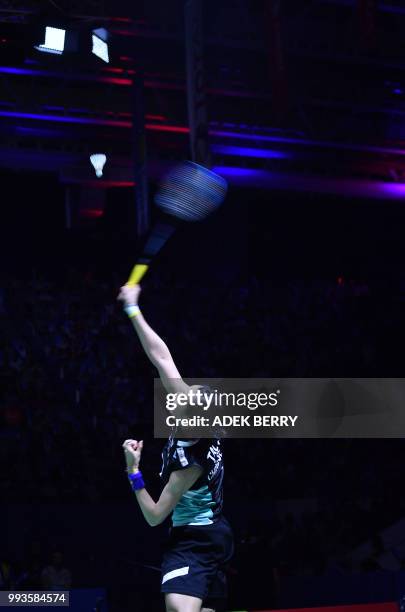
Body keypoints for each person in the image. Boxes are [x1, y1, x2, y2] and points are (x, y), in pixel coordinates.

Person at [118, 284, 233, 612]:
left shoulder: (188, 464)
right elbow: (160, 356)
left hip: (194, 541)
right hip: (213, 530)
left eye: (186, 396)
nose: (179, 392)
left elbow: (155, 516)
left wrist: (133, 470)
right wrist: (132, 308)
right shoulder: (200, 422)